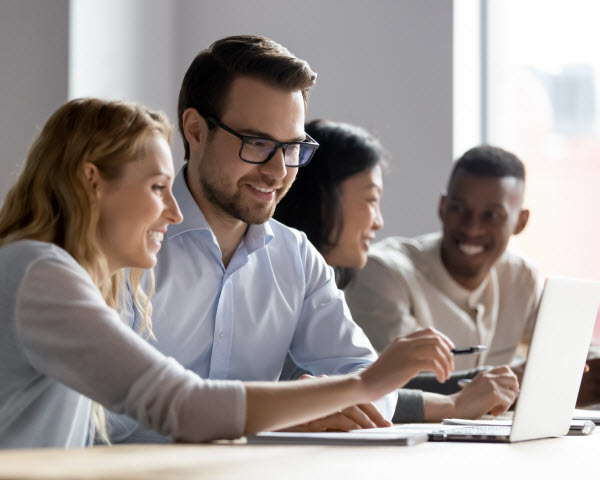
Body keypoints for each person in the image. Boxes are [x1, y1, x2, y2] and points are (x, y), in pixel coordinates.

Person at [0, 97, 458, 449]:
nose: (175, 213)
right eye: (158, 187)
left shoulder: (65, 275)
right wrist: (365, 383)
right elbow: (183, 406)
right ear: (91, 181)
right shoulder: (38, 273)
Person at [105, 35, 407, 443]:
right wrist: (276, 414)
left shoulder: (296, 256)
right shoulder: (120, 247)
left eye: (292, 147)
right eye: (258, 143)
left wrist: (315, 404)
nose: (278, 170)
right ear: (195, 130)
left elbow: (369, 380)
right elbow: (98, 416)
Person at [275, 121, 519, 423]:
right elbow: (344, 389)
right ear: (324, 200)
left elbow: (364, 384)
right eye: (372, 200)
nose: (378, 221)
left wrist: (487, 384)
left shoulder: (320, 282)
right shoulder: (278, 279)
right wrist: (454, 405)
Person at [345, 145, 542, 375]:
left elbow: (562, 351)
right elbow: (406, 385)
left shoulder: (522, 277)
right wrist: (521, 381)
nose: (472, 227)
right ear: (442, 207)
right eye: (459, 209)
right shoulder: (382, 272)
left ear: (521, 222)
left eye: (492, 215)